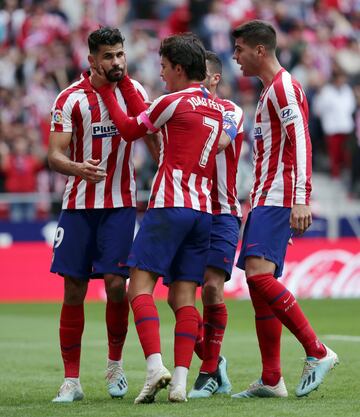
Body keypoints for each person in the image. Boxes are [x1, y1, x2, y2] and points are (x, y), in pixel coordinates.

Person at [94, 33, 226, 404]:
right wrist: (126, 84)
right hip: (203, 213)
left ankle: (155, 367)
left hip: (169, 206)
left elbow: (131, 128)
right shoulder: (217, 108)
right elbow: (148, 110)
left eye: (165, 67)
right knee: (185, 298)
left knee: (139, 288)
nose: (162, 73)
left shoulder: (172, 102)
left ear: (180, 68)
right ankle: (181, 383)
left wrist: (107, 91)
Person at [231, 20, 339, 399]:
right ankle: (272, 378)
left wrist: (301, 196)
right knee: (258, 287)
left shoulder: (284, 88)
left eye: (240, 49)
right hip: (263, 197)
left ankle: (317, 350)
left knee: (260, 278)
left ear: (259, 50)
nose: (235, 57)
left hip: (279, 196)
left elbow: (301, 140)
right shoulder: (268, 92)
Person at [48, 27, 155, 403]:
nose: (116, 62)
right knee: (74, 289)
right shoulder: (70, 99)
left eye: (120, 55)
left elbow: (154, 138)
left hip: (121, 205)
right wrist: (78, 168)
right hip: (78, 206)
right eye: (108, 56)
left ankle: (115, 365)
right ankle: (71, 380)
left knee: (115, 285)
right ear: (92, 59)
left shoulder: (137, 92)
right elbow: (54, 154)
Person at [186, 50, 244, 399]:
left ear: (214, 78)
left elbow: (220, 141)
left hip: (222, 211)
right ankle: (214, 359)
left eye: (199, 73)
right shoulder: (180, 107)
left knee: (210, 288)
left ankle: (207, 372)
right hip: (189, 208)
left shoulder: (231, 110)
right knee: (180, 296)